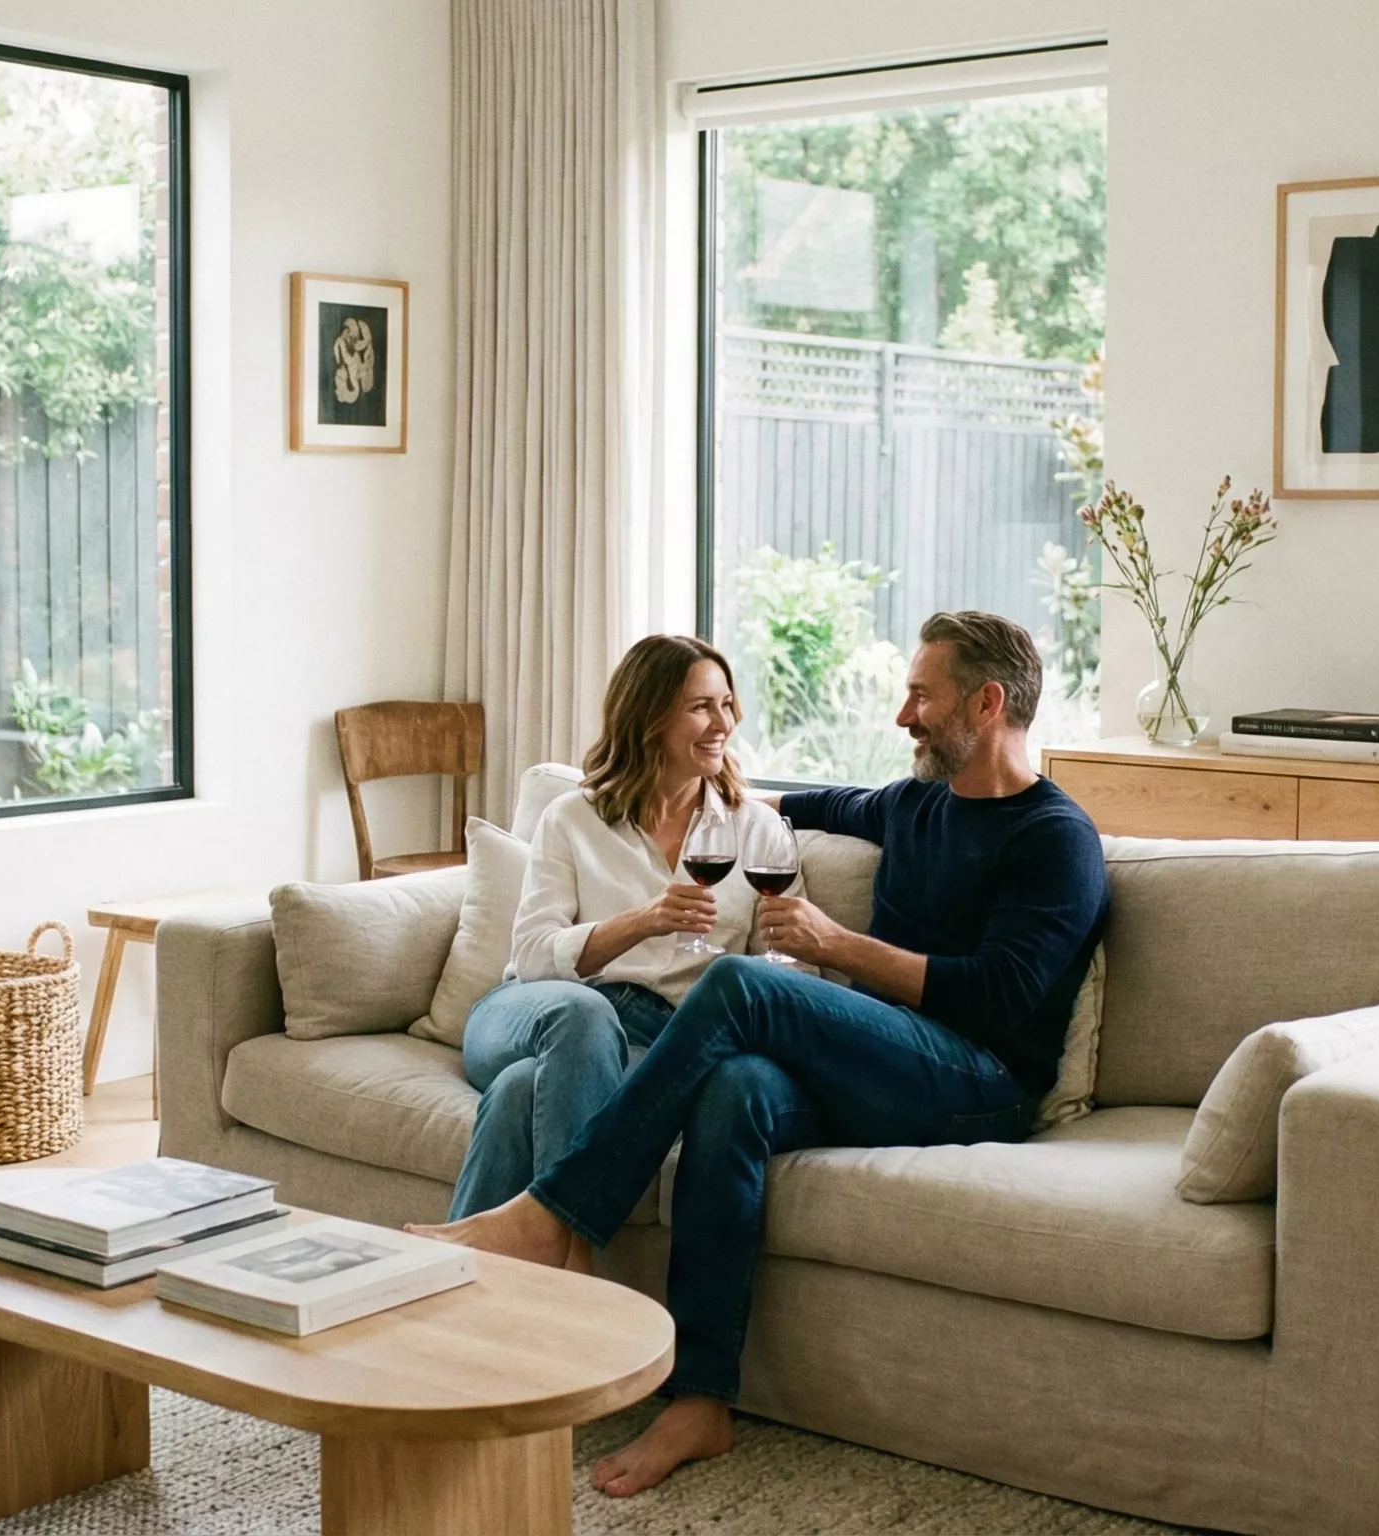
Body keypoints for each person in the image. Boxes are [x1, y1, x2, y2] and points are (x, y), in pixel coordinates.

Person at [414, 611, 1108, 1497]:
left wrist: (835, 946)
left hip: (979, 1081)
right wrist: (720, 802)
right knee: (731, 1088)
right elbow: (799, 806)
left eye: (920, 695)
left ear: (988, 700)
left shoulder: (1055, 836)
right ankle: (702, 1397)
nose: (902, 715)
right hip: (878, 1066)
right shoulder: (913, 804)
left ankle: (556, 1213)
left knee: (738, 990)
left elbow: (1002, 995)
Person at [437, 633, 800, 1257]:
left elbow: (791, 971)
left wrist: (774, 958)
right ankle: (572, 1256)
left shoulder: (756, 830)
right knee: (584, 1014)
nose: (724, 723)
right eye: (702, 707)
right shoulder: (574, 816)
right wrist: (641, 922)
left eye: (728, 704)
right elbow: (530, 954)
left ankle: (451, 1298)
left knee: (522, 1093)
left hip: (656, 1039)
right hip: (533, 1008)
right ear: (651, 715)